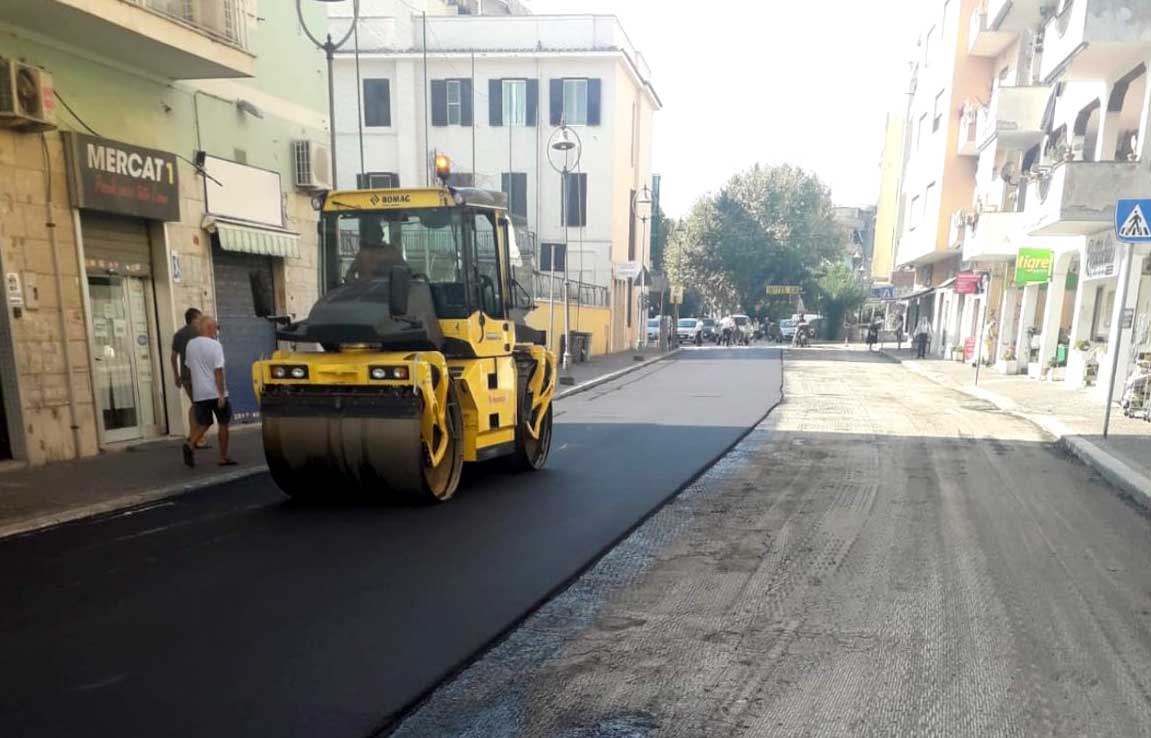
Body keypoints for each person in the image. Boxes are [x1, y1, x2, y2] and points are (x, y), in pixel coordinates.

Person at [182, 316, 236, 468]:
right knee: (223, 423)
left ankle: (191, 444)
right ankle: (223, 457)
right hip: (215, 392)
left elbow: (189, 366)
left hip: (200, 393)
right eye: (216, 327)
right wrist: (220, 394)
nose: (217, 330)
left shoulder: (190, 345)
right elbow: (218, 371)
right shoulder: (215, 345)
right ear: (209, 328)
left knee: (204, 423)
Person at [170, 308, 207, 448]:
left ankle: (193, 434)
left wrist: (176, 376)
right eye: (200, 318)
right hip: (199, 376)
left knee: (195, 405)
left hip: (185, 376)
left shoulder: (178, 335)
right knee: (201, 406)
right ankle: (198, 438)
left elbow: (173, 357)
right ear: (194, 319)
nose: (201, 321)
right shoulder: (199, 333)